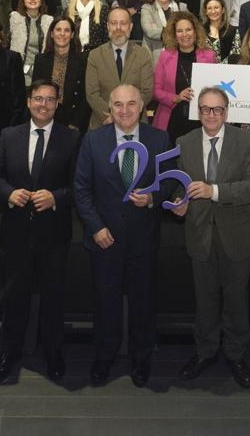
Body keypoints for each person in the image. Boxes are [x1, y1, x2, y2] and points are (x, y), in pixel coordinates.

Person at [0, 79, 82, 384]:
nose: (43, 104)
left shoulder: (71, 138)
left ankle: (53, 353)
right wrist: (8, 193)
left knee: (53, 298)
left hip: (54, 233)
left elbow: (79, 185)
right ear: (28, 102)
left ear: (57, 103)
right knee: (14, 298)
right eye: (38, 98)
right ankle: (8, 353)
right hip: (15, 232)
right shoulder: (9, 135)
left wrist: (57, 197)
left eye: (50, 99)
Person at [73, 84, 171, 386]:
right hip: (105, 239)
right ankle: (104, 357)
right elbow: (81, 190)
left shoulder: (160, 138)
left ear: (141, 106)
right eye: (118, 105)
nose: (125, 110)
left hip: (144, 238)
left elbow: (169, 182)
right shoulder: (92, 140)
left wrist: (153, 198)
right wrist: (97, 228)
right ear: (110, 108)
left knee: (143, 302)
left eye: (131, 104)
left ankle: (141, 359)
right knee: (106, 303)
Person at [170, 86, 250, 389]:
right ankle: (205, 352)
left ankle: (236, 355)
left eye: (217, 110)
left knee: (236, 301)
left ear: (226, 112)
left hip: (237, 236)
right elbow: (179, 185)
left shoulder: (246, 141)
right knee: (205, 301)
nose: (211, 115)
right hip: (200, 234)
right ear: (198, 112)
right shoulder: (183, 143)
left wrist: (215, 192)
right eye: (206, 109)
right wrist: (179, 201)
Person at [85, 6, 154, 129]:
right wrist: (113, 115)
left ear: (131, 27)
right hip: (103, 122)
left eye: (123, 23)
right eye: (113, 23)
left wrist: (127, 114)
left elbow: (147, 91)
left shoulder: (143, 54)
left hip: (136, 123)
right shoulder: (94, 55)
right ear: (107, 26)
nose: (118, 28)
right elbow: (92, 94)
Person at [153, 11, 219, 139]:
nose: (184, 35)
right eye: (180, 31)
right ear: (174, 35)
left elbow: (216, 89)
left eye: (188, 29)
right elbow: (156, 91)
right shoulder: (165, 56)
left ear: (195, 32)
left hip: (201, 121)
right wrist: (176, 97)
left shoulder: (209, 56)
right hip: (172, 119)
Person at [32, 17, 90, 130]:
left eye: (67, 30)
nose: (62, 34)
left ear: (72, 34)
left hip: (73, 121)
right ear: (52, 34)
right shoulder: (40, 60)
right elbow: (36, 92)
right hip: (46, 116)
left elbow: (85, 95)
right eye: (58, 30)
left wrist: (76, 123)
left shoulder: (83, 60)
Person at [9, 0, 53, 85]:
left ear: (41, 1)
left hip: (42, 72)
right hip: (19, 71)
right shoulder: (15, 19)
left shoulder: (49, 21)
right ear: (23, 1)